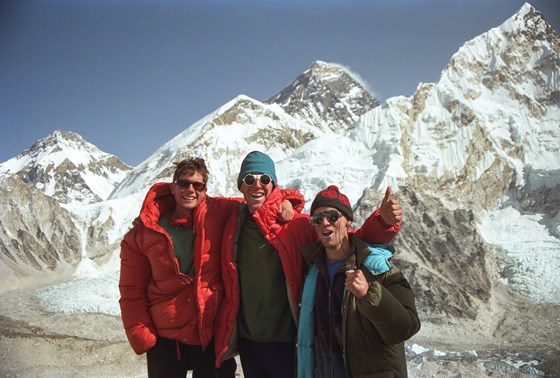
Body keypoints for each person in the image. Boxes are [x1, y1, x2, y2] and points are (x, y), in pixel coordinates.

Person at [215, 151, 403, 378]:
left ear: (273, 184)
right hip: (248, 340)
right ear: (240, 186)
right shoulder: (232, 222)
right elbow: (196, 200)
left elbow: (348, 238)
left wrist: (381, 222)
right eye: (249, 179)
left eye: (264, 179)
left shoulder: (296, 225)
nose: (257, 185)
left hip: (286, 339)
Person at [119, 157, 303, 378]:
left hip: (208, 332)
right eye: (185, 183)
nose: (190, 190)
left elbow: (256, 197)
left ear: (204, 190)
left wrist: (284, 201)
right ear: (173, 187)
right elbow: (132, 289)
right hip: (166, 336)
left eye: (197, 185)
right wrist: (142, 334)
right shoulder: (145, 231)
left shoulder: (219, 211)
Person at [298, 185, 421, 378]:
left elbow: (406, 327)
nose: (325, 223)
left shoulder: (377, 267)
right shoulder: (312, 271)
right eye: (317, 219)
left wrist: (370, 295)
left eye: (332, 216)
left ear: (347, 221)